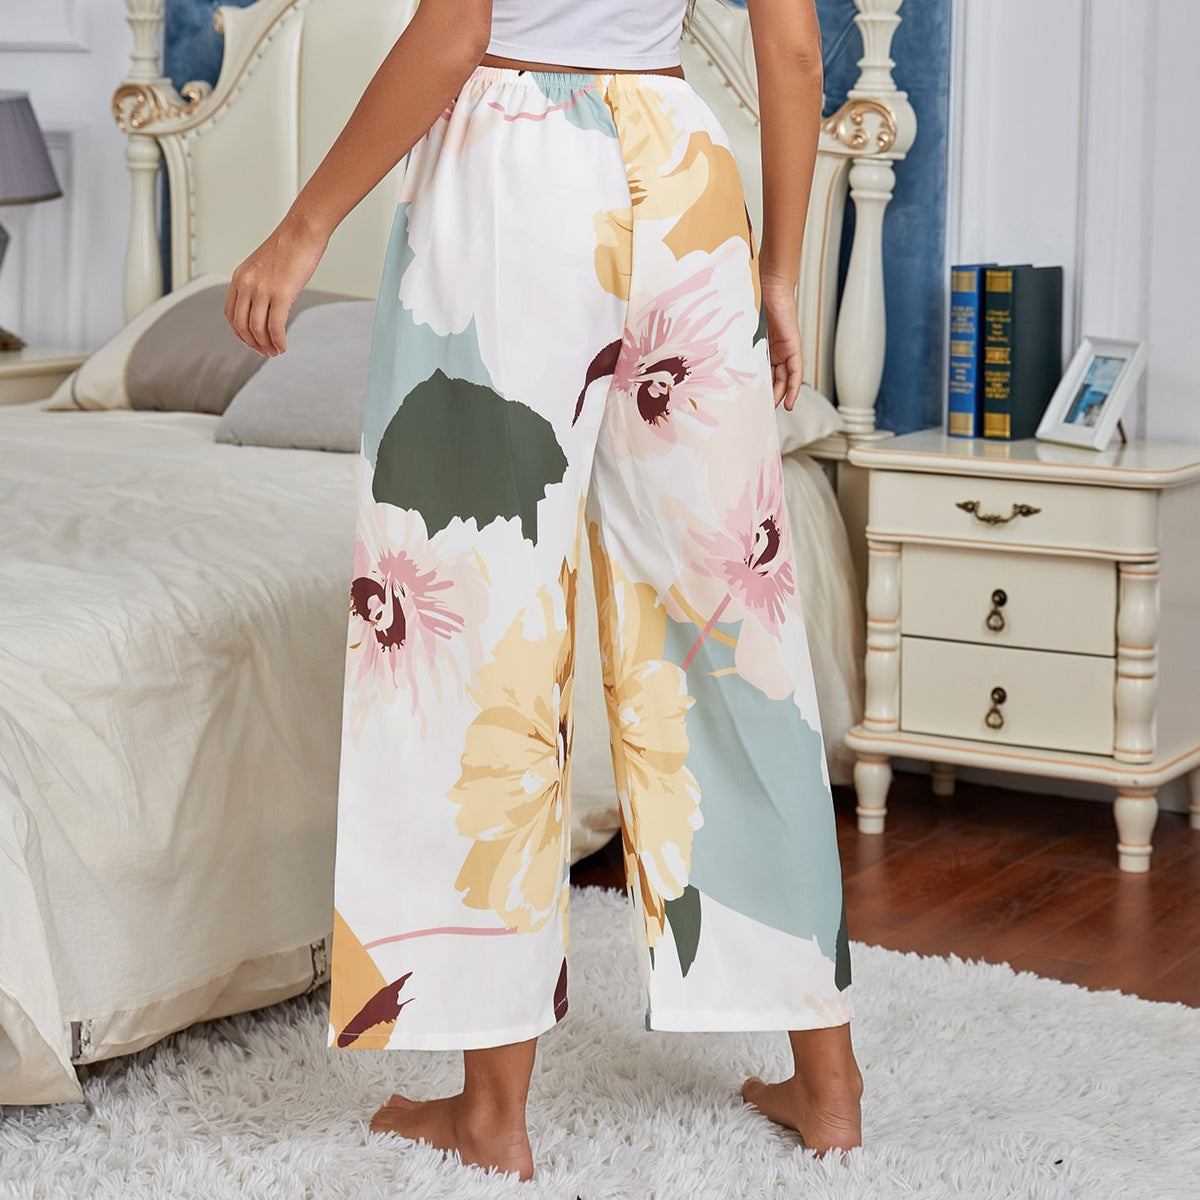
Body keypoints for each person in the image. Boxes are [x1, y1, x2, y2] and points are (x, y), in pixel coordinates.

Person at [224, 0, 863, 1181]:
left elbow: (457, 29)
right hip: (683, 171)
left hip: (515, 173)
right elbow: (792, 48)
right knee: (730, 628)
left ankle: (492, 1114)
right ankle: (829, 1086)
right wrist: (778, 265)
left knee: (476, 632)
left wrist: (303, 228)